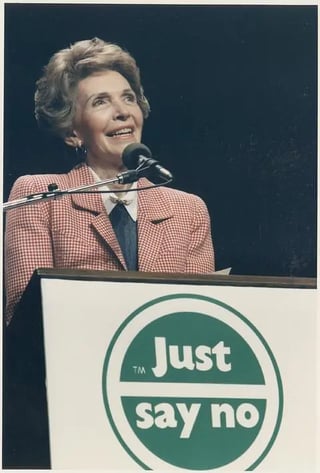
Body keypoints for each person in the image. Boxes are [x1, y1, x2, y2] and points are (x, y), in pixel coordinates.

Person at [4, 37, 215, 324]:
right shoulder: (40, 196)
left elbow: (201, 320)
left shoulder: (188, 210)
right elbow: (27, 316)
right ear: (72, 132)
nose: (122, 111)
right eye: (100, 101)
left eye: (128, 98)